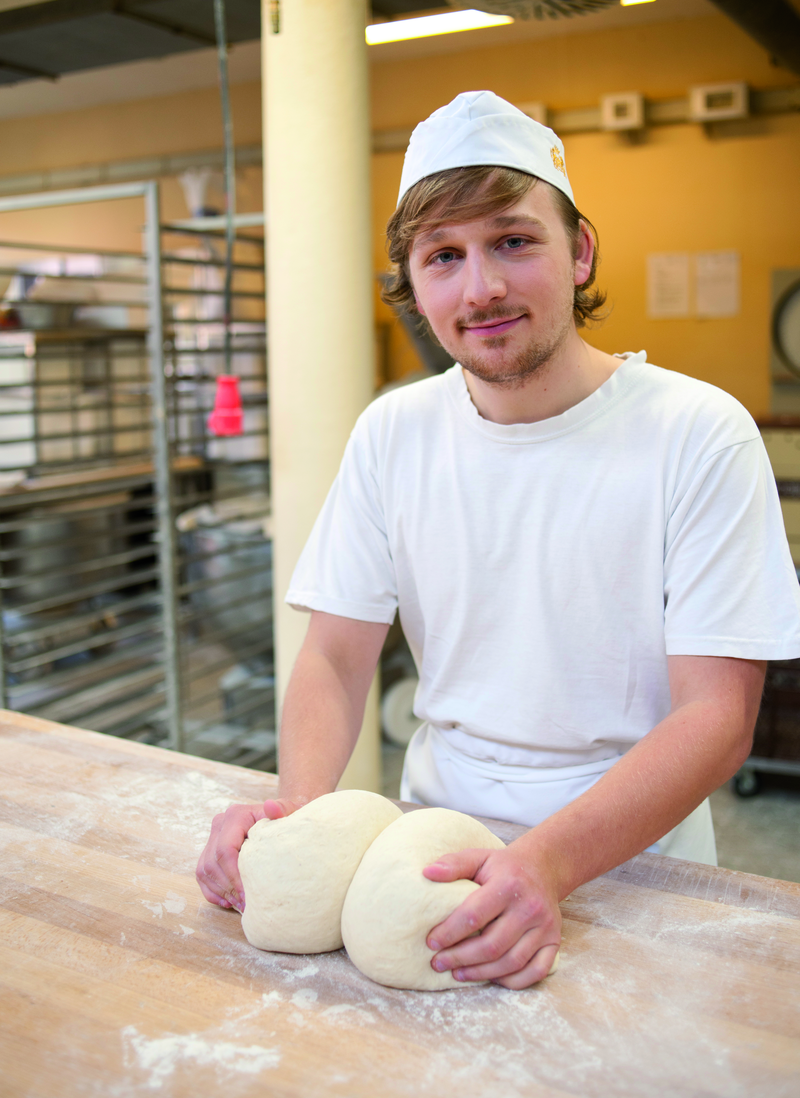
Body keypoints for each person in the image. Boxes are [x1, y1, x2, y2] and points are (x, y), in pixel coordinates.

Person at [197, 90, 800, 990]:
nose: (479, 288)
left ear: (580, 250)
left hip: (635, 863)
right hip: (430, 847)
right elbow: (333, 656)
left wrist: (546, 864)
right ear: (414, 282)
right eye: (443, 256)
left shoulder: (696, 433)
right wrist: (299, 818)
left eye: (513, 241)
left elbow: (716, 718)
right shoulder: (394, 433)